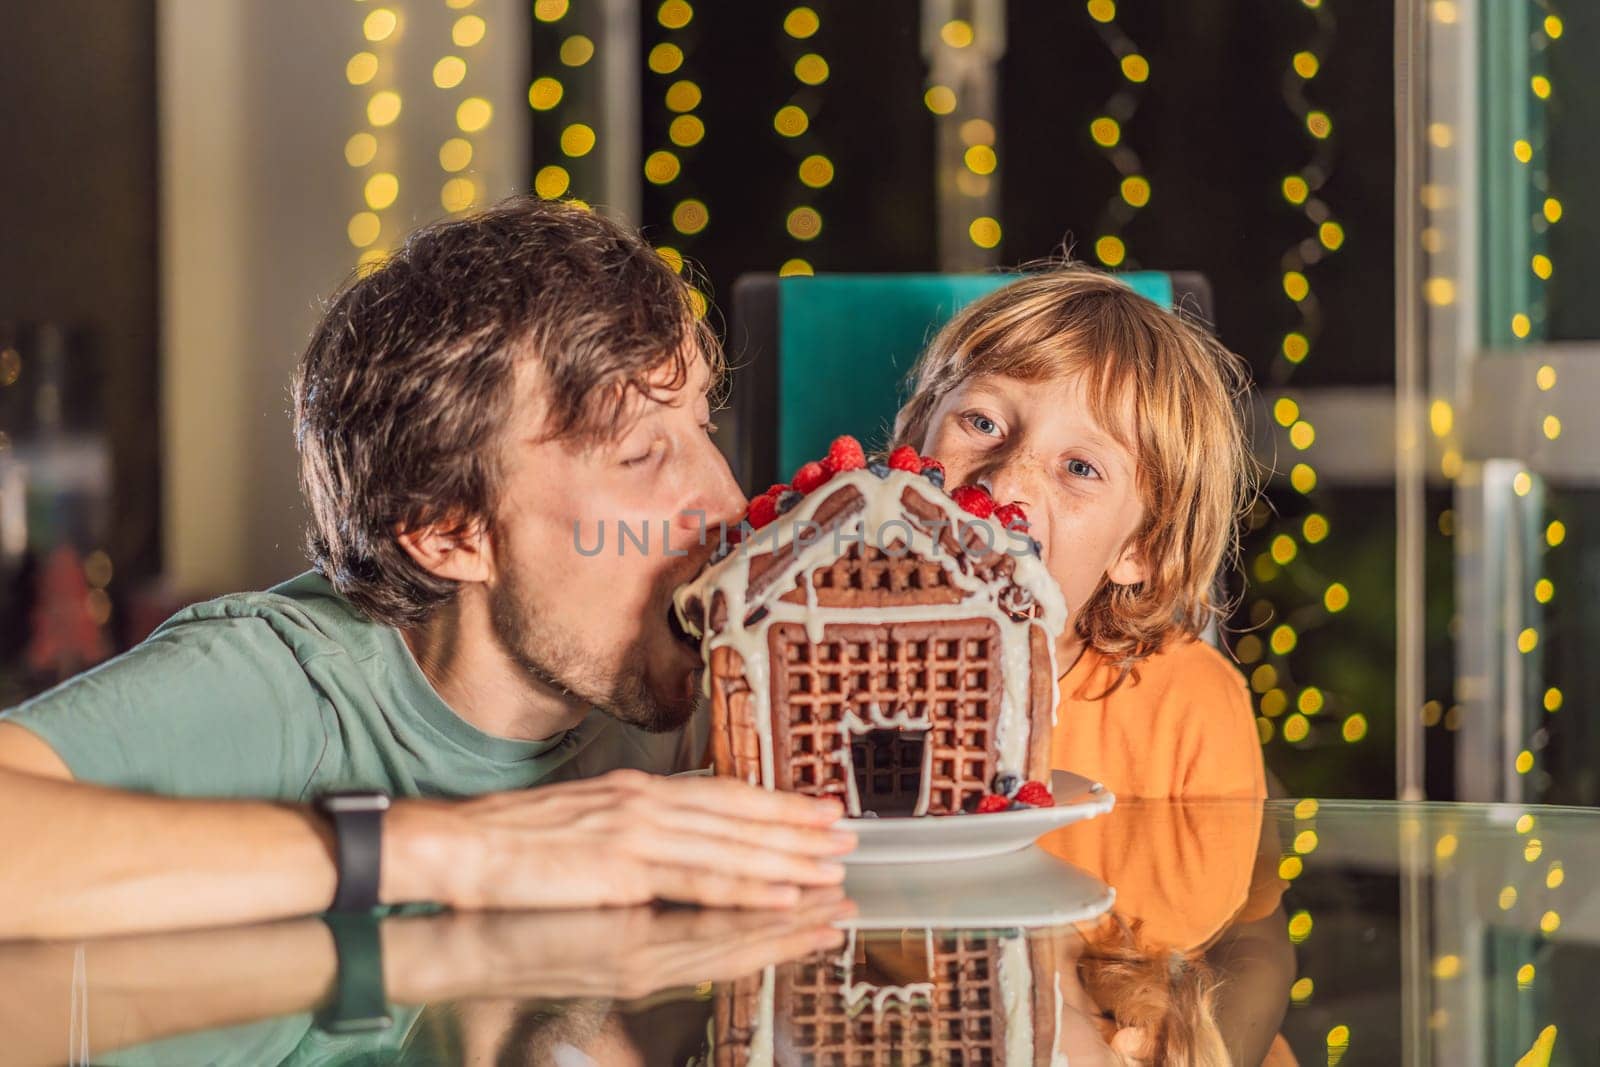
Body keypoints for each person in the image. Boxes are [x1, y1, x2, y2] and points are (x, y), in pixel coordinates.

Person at [0, 197, 854, 939]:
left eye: (702, 427)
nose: (727, 498)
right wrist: (466, 849)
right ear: (448, 531)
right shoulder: (294, 686)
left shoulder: (684, 700)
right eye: (637, 456)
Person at [894, 265, 1267, 799]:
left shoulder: (1192, 707)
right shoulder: (802, 644)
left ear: (1142, 547)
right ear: (912, 444)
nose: (1003, 483)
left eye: (1080, 468)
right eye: (981, 423)